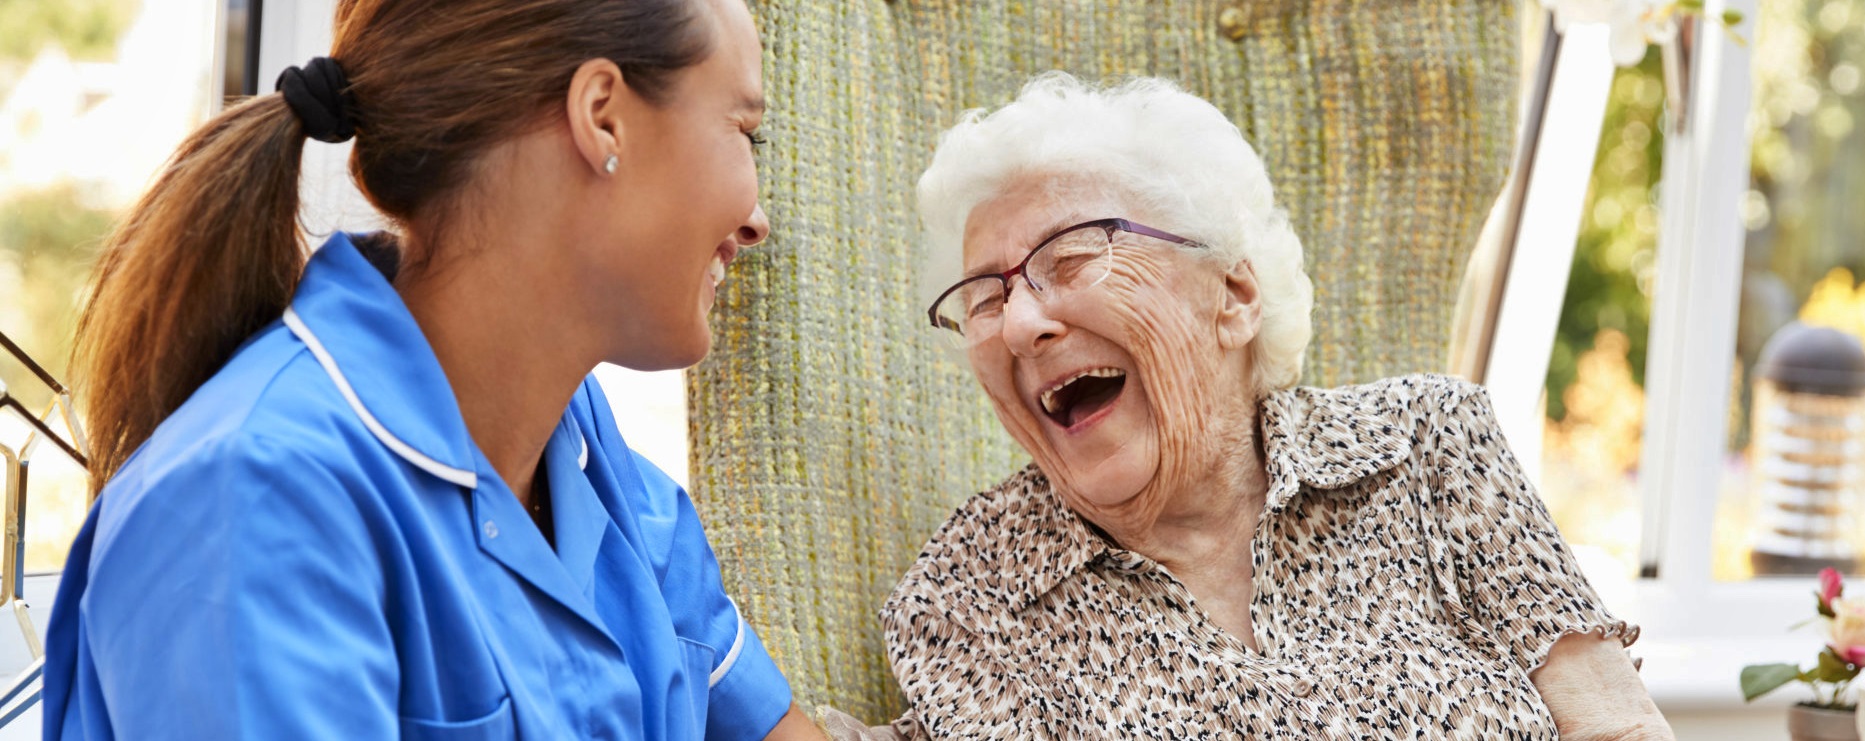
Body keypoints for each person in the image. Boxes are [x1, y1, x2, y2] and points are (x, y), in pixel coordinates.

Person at [41, 0, 827, 738]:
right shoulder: (248, 502)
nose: (757, 221)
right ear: (603, 117)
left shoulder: (584, 459)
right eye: (744, 131)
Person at [878, 73, 1674, 738]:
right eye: (985, 298)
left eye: (1074, 255)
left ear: (1233, 294)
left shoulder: (1428, 443)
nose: (1019, 323)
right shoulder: (970, 593)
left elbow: (1614, 726)